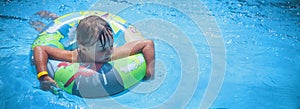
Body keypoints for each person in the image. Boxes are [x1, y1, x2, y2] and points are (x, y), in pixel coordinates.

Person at [33, 14, 155, 92]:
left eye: (111, 45)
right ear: (84, 49)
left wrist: (149, 73)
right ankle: (48, 18)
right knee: (43, 27)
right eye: (102, 49)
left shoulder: (114, 53)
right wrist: (43, 75)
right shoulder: (75, 56)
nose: (109, 51)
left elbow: (147, 43)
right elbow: (40, 49)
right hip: (69, 42)